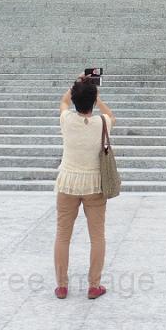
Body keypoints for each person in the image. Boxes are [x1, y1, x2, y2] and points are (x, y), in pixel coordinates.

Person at [54, 75, 116, 300]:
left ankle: (61, 286)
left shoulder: (67, 120)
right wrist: (97, 98)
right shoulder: (102, 123)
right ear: (92, 100)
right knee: (97, 237)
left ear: (74, 99)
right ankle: (94, 285)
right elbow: (111, 115)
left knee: (62, 236)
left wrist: (76, 87)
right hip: (94, 185)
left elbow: (63, 103)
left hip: (68, 182)